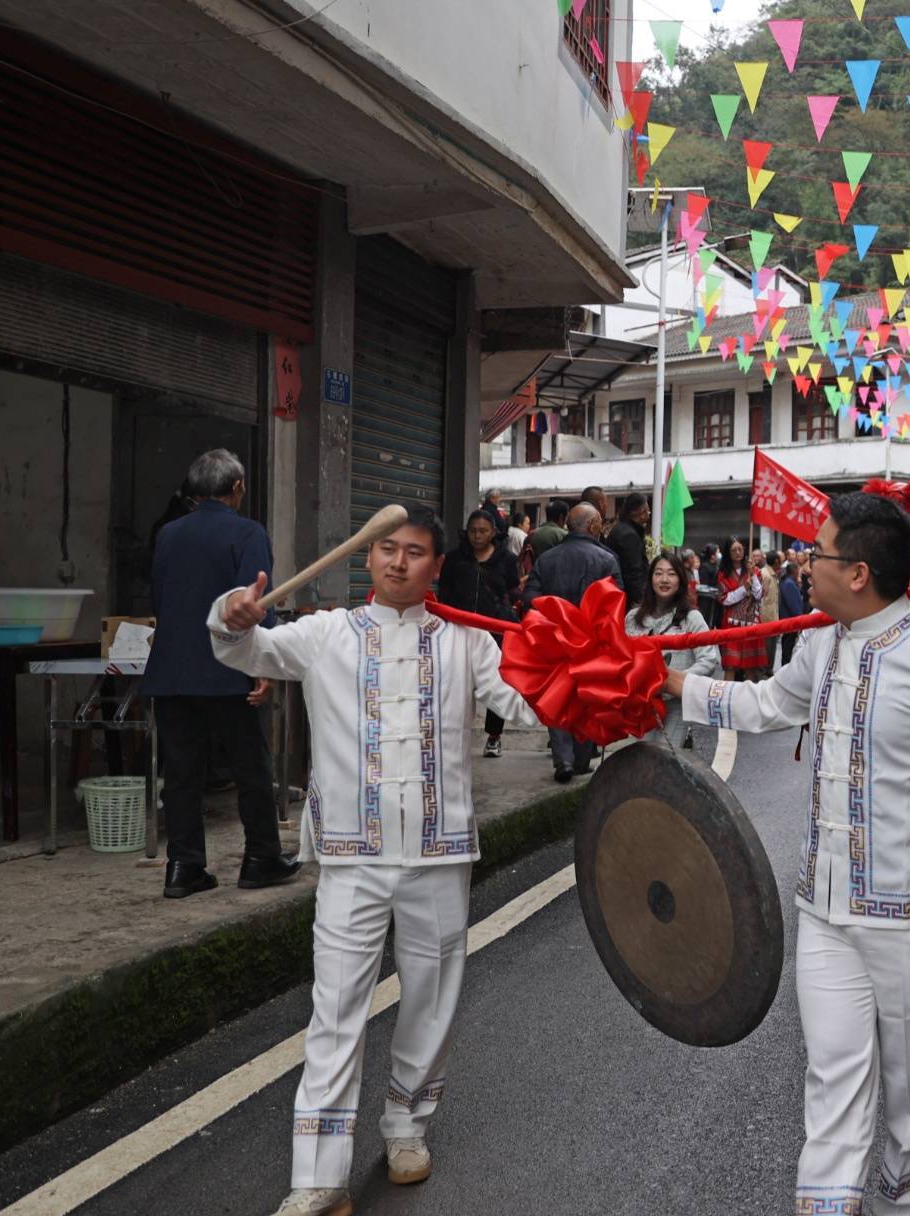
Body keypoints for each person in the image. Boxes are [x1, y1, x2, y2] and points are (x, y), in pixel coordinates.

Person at [664, 492, 910, 1215]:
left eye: (819, 553)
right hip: (826, 911)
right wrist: (675, 685)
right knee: (832, 1075)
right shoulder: (822, 645)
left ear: (857, 573)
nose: (807, 563)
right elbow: (769, 705)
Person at [210, 505, 541, 1216]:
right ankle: (319, 1176)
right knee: (335, 1009)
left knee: (430, 999)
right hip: (350, 858)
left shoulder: (467, 645)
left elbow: (526, 706)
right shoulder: (323, 635)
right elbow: (244, 650)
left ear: (436, 566)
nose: (398, 561)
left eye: (415, 551)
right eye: (387, 548)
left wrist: (597, 672)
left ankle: (406, 1127)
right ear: (367, 557)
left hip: (438, 852)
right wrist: (230, 615)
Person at [141, 450, 297, 900]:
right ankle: (261, 858)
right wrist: (263, 665)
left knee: (183, 772)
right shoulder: (247, 532)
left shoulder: (168, 534)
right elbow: (254, 603)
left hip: (171, 670)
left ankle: (183, 868)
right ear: (237, 489)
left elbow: (159, 598)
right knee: (250, 766)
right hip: (229, 669)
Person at [525, 503, 621, 781]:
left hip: (554, 641)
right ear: (592, 526)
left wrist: (557, 612)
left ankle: (563, 760)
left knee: (557, 697)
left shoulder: (547, 559)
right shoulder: (607, 559)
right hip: (593, 644)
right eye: (600, 523)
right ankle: (579, 760)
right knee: (587, 698)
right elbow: (618, 603)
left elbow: (529, 597)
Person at [437, 510, 522, 759]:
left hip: (495, 630)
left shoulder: (506, 559)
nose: (477, 536)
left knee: (498, 682)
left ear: (493, 532)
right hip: (459, 629)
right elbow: (444, 591)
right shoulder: (455, 559)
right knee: (458, 682)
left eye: (483, 531)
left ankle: (494, 737)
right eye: (473, 530)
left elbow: (513, 589)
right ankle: (454, 734)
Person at [625, 553, 720, 754]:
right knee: (640, 761)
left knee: (667, 760)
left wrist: (675, 682)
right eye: (658, 573)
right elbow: (623, 659)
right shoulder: (633, 618)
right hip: (641, 707)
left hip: (676, 705)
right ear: (651, 579)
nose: (664, 580)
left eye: (671, 574)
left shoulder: (691, 618)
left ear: (681, 580)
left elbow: (709, 659)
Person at [716, 536, 768, 680]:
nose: (738, 552)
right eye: (733, 550)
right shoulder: (722, 574)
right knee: (730, 666)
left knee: (750, 667)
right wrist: (743, 589)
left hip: (751, 623)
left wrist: (754, 575)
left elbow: (758, 595)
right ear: (728, 553)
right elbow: (724, 599)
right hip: (731, 624)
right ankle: (726, 699)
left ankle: (748, 700)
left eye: (740, 549)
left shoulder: (754, 570)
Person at [603, 492, 650, 608]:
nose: (649, 513)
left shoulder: (623, 529)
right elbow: (633, 572)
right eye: (648, 509)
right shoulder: (629, 535)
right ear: (641, 511)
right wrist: (639, 600)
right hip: (628, 600)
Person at [777, 557, 806, 664]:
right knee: (788, 648)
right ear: (794, 571)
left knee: (787, 647)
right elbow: (794, 605)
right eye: (797, 570)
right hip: (790, 621)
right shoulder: (789, 583)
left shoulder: (787, 581)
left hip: (788, 620)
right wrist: (800, 620)